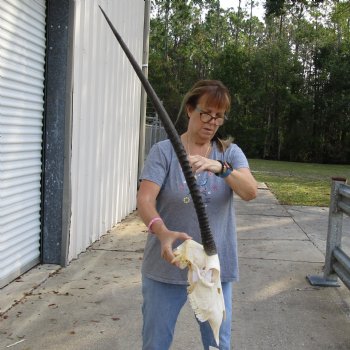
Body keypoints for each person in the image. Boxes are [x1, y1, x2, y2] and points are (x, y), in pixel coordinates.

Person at [137, 80, 257, 350]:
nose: (212, 121)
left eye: (218, 116)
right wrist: (161, 230)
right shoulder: (164, 152)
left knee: (218, 345)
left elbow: (250, 192)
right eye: (206, 113)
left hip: (214, 269)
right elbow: (144, 199)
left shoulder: (230, 154)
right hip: (167, 265)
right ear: (190, 109)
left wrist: (221, 168)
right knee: (155, 343)